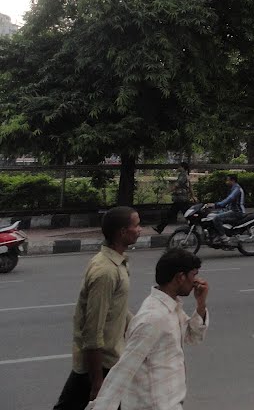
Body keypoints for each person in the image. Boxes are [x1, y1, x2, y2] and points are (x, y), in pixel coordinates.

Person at [85, 248, 209, 410]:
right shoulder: (153, 318)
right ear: (180, 277)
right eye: (193, 275)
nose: (196, 281)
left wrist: (201, 303)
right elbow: (123, 370)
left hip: (170, 402)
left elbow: (193, 336)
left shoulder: (171, 309)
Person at [53, 206, 142, 410]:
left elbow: (116, 310)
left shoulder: (118, 263)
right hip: (99, 366)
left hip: (109, 362)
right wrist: (97, 381)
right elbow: (93, 331)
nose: (140, 230)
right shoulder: (106, 272)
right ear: (122, 232)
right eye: (136, 225)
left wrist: (141, 328)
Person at [204, 173, 245, 245]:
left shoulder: (237, 189)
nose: (226, 182)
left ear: (233, 181)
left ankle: (224, 238)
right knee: (211, 215)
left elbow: (228, 200)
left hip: (237, 212)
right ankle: (216, 235)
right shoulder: (233, 188)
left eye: (228, 180)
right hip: (231, 210)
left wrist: (215, 205)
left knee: (217, 218)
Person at [155, 163, 193, 235]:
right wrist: (193, 196)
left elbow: (176, 186)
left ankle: (193, 227)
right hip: (181, 199)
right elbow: (190, 187)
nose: (177, 168)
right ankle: (160, 227)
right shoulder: (186, 175)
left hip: (181, 199)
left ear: (182, 167)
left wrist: (165, 193)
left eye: (179, 166)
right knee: (172, 214)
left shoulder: (183, 175)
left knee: (185, 214)